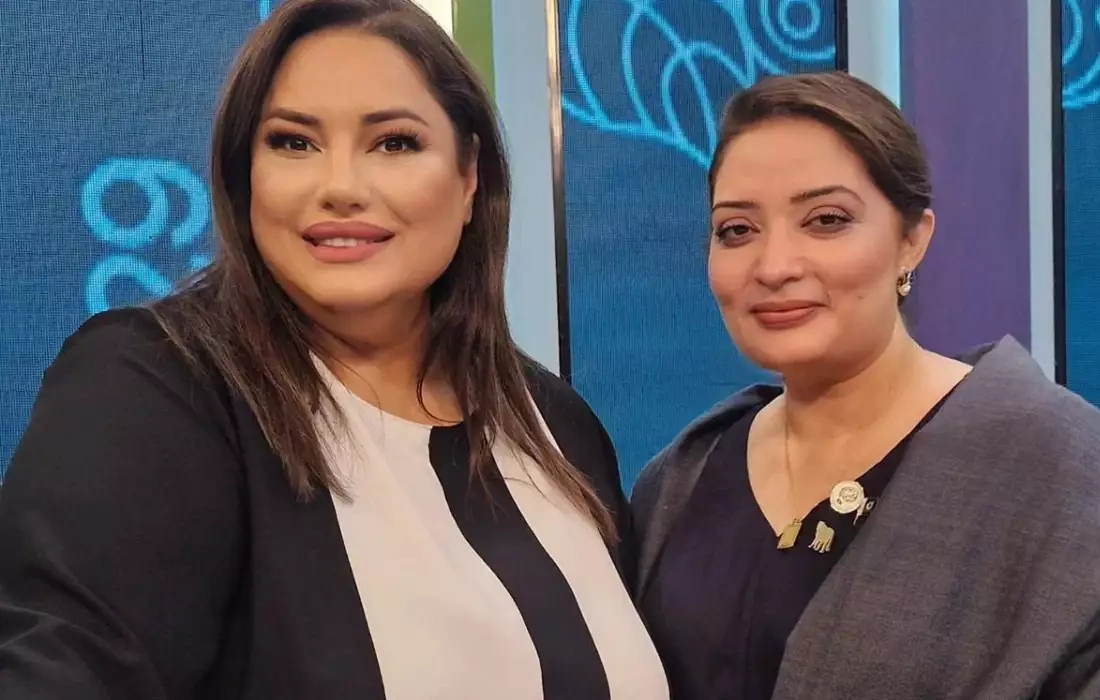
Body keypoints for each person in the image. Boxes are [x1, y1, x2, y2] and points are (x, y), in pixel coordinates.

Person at [0, 1, 668, 698]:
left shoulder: (555, 424)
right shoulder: (156, 389)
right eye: (293, 143)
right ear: (244, 176)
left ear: (469, 176)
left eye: (395, 143)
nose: (340, 187)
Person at [630, 71, 1100, 700]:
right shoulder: (682, 479)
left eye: (825, 220)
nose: (774, 266)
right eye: (737, 230)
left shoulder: (1048, 461)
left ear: (911, 240)